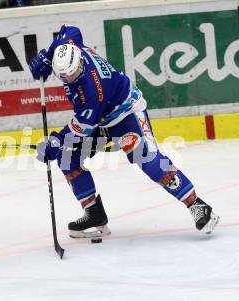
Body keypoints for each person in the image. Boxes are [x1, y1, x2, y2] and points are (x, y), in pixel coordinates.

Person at [28, 25, 220, 239]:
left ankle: (198, 205)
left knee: (148, 160)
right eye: (62, 75)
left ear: (80, 63)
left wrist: (56, 140)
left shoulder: (93, 90)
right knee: (67, 157)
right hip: (101, 120)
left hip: (126, 115)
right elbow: (70, 30)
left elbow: (83, 126)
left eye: (71, 74)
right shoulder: (71, 46)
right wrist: (47, 55)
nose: (68, 79)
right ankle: (94, 213)